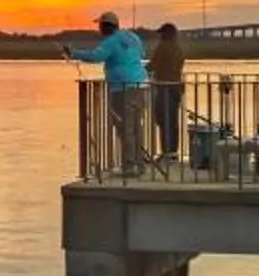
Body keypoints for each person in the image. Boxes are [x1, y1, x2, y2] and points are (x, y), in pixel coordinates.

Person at [65, 11, 150, 174]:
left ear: (105, 26)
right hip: (140, 85)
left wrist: (73, 53)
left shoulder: (110, 41)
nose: (99, 29)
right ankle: (140, 164)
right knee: (136, 127)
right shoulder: (132, 37)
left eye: (100, 25)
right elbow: (142, 53)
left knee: (124, 128)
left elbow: (96, 56)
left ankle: (129, 166)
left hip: (122, 88)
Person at [149, 23, 188, 157]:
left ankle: (166, 151)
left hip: (164, 87)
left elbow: (153, 65)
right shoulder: (178, 48)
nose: (160, 36)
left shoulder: (163, 47)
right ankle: (173, 152)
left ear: (168, 34)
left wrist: (138, 71)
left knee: (163, 119)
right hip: (176, 87)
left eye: (162, 33)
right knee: (172, 120)